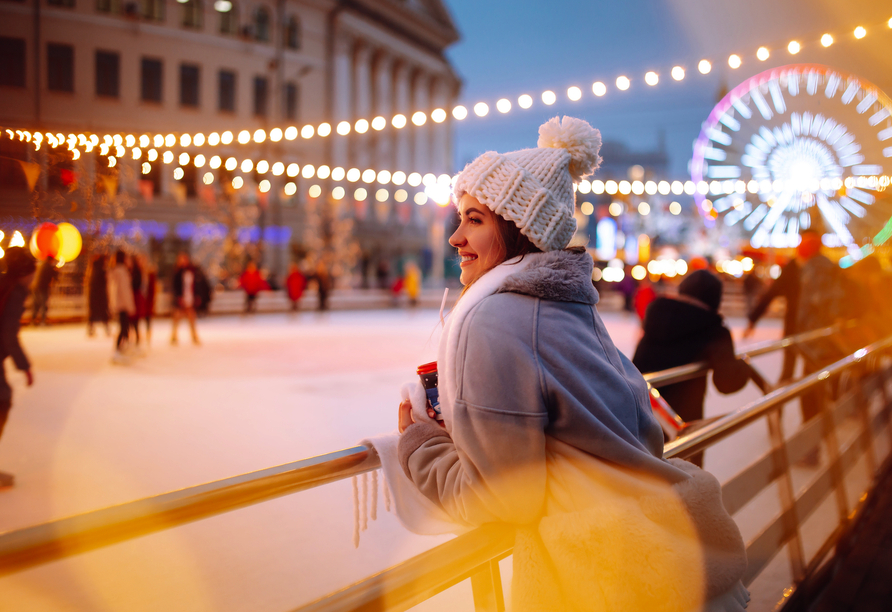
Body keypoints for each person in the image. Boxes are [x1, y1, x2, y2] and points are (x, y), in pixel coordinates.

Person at [390, 117, 748, 611]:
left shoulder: (489, 319)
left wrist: (419, 445)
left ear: (519, 229)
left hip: (609, 583)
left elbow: (504, 497)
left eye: (475, 219)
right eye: (460, 217)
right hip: (671, 557)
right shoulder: (572, 307)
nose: (455, 238)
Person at [632, 269, 755, 466]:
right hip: (682, 422)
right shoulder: (713, 328)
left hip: (638, 414)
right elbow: (727, 383)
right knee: (687, 481)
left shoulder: (657, 313)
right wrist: (744, 365)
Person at [0, 247, 36, 488]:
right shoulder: (14, 292)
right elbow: (8, 335)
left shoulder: (6, 284)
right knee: (2, 400)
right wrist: (25, 366)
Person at [744, 256, 800, 382]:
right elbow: (769, 295)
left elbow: (769, 294)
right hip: (801, 325)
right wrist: (753, 319)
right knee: (795, 364)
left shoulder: (794, 269)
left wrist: (752, 320)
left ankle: (786, 389)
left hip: (798, 325)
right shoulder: (793, 269)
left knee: (798, 366)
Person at [107, 250, 135, 364]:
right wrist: (129, 305)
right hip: (122, 304)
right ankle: (117, 350)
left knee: (125, 327)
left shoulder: (117, 271)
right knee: (123, 327)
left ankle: (122, 348)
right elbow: (124, 291)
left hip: (120, 303)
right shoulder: (121, 271)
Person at [171, 252, 200, 346]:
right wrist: (178, 297)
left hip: (189, 297)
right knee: (177, 317)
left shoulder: (192, 271)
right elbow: (175, 286)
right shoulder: (177, 272)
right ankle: (174, 336)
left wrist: (196, 296)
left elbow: (196, 285)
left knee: (191, 317)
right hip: (181, 297)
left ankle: (194, 336)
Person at [86, 253, 110, 337]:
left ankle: (91, 329)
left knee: (93, 313)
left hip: (93, 296)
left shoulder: (93, 271)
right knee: (104, 312)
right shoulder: (101, 271)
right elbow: (104, 283)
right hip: (100, 296)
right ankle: (106, 329)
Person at [30, 256, 57, 325]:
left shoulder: (42, 265)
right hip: (42, 287)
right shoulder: (48, 266)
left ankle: (33, 320)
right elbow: (54, 276)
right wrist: (56, 271)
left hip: (35, 287)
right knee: (43, 304)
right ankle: (43, 321)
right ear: (51, 260)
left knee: (36, 304)